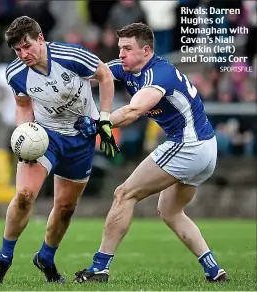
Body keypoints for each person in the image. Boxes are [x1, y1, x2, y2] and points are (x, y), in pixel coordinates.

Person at [73, 23, 227, 283]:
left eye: (127, 48)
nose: (121, 54)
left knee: (124, 194)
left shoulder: (158, 75)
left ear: (146, 51)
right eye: (120, 47)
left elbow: (133, 111)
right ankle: (214, 270)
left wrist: (99, 123)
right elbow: (93, 74)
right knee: (170, 211)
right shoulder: (128, 66)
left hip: (188, 146)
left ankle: (99, 269)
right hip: (205, 148)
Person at [0, 15, 118, 284]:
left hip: (81, 137)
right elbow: (23, 106)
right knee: (23, 195)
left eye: (27, 46)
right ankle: (2, 262)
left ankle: (46, 257)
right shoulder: (16, 73)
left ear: (40, 38)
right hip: (45, 137)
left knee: (65, 207)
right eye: (17, 50)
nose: (23, 54)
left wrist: (103, 117)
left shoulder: (72, 56)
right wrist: (24, 135)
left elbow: (105, 75)